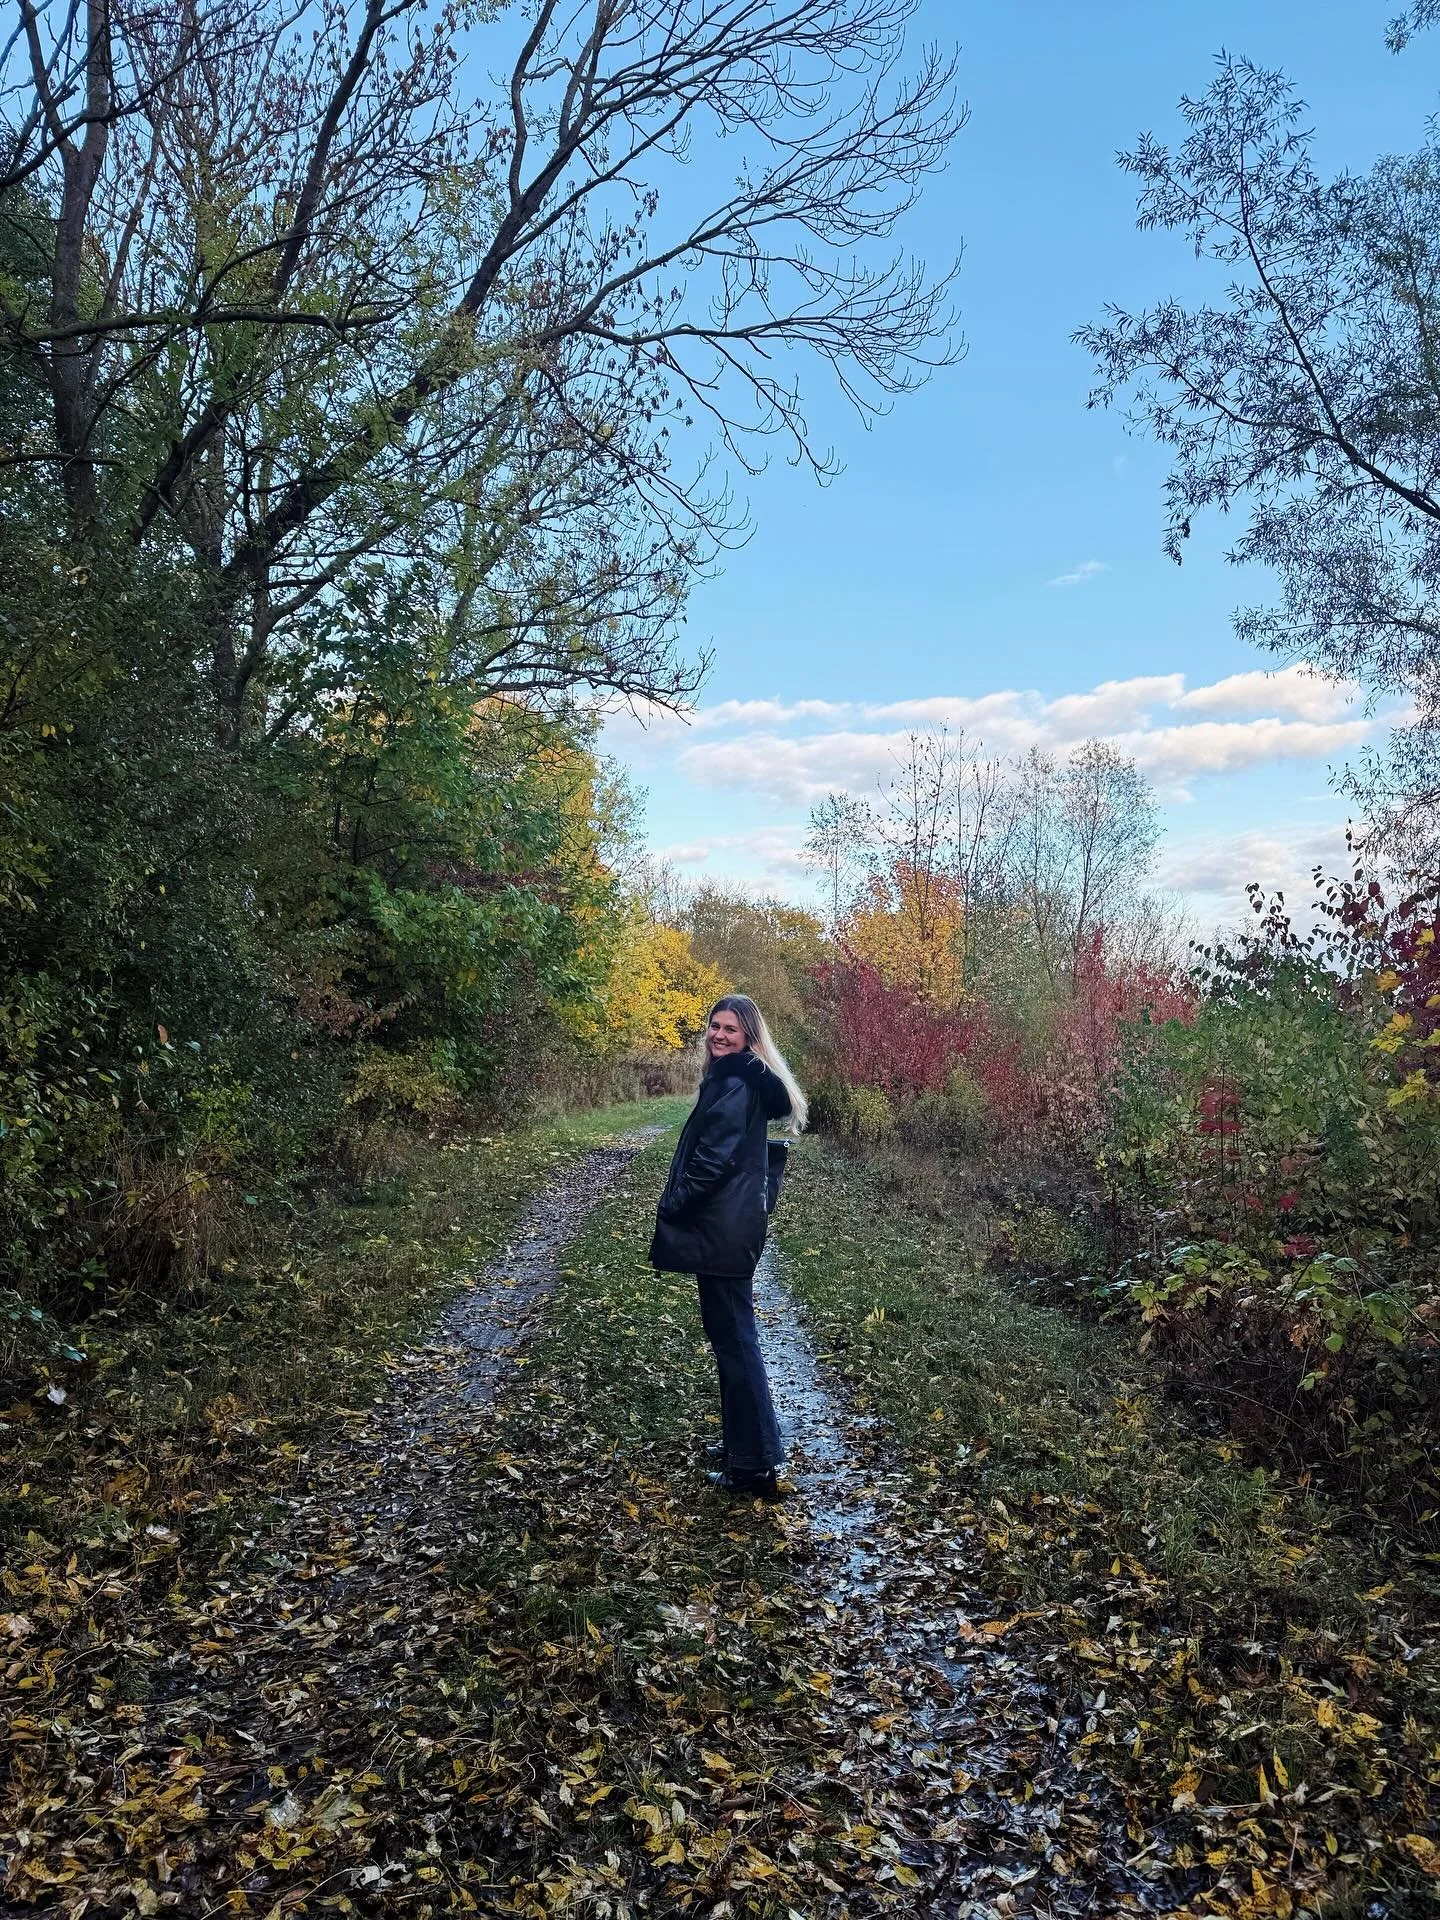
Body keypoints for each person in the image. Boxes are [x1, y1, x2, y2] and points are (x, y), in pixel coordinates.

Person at [650, 994, 808, 1501]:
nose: (719, 1035)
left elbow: (711, 1162)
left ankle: (755, 1465)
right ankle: (746, 1447)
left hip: (721, 1229)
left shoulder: (736, 1082)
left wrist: (673, 1204)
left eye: (730, 1030)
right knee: (732, 1339)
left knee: (736, 1343)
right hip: (730, 1228)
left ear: (749, 1039)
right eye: (714, 1026)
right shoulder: (741, 1078)